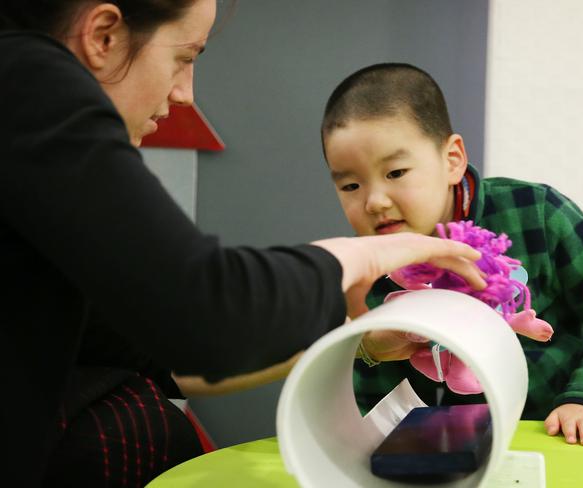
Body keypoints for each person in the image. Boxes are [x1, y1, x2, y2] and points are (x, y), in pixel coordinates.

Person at [0, 4, 488, 487]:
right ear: (104, 35)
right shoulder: (26, 82)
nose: (185, 93)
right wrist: (366, 255)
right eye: (185, 57)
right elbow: (207, 313)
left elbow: (172, 348)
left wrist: (354, 340)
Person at [320, 62, 583, 447]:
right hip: (476, 451)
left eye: (395, 173)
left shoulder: (535, 211)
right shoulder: (365, 270)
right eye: (351, 185)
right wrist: (368, 350)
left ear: (452, 159)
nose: (374, 201)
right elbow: (376, 408)